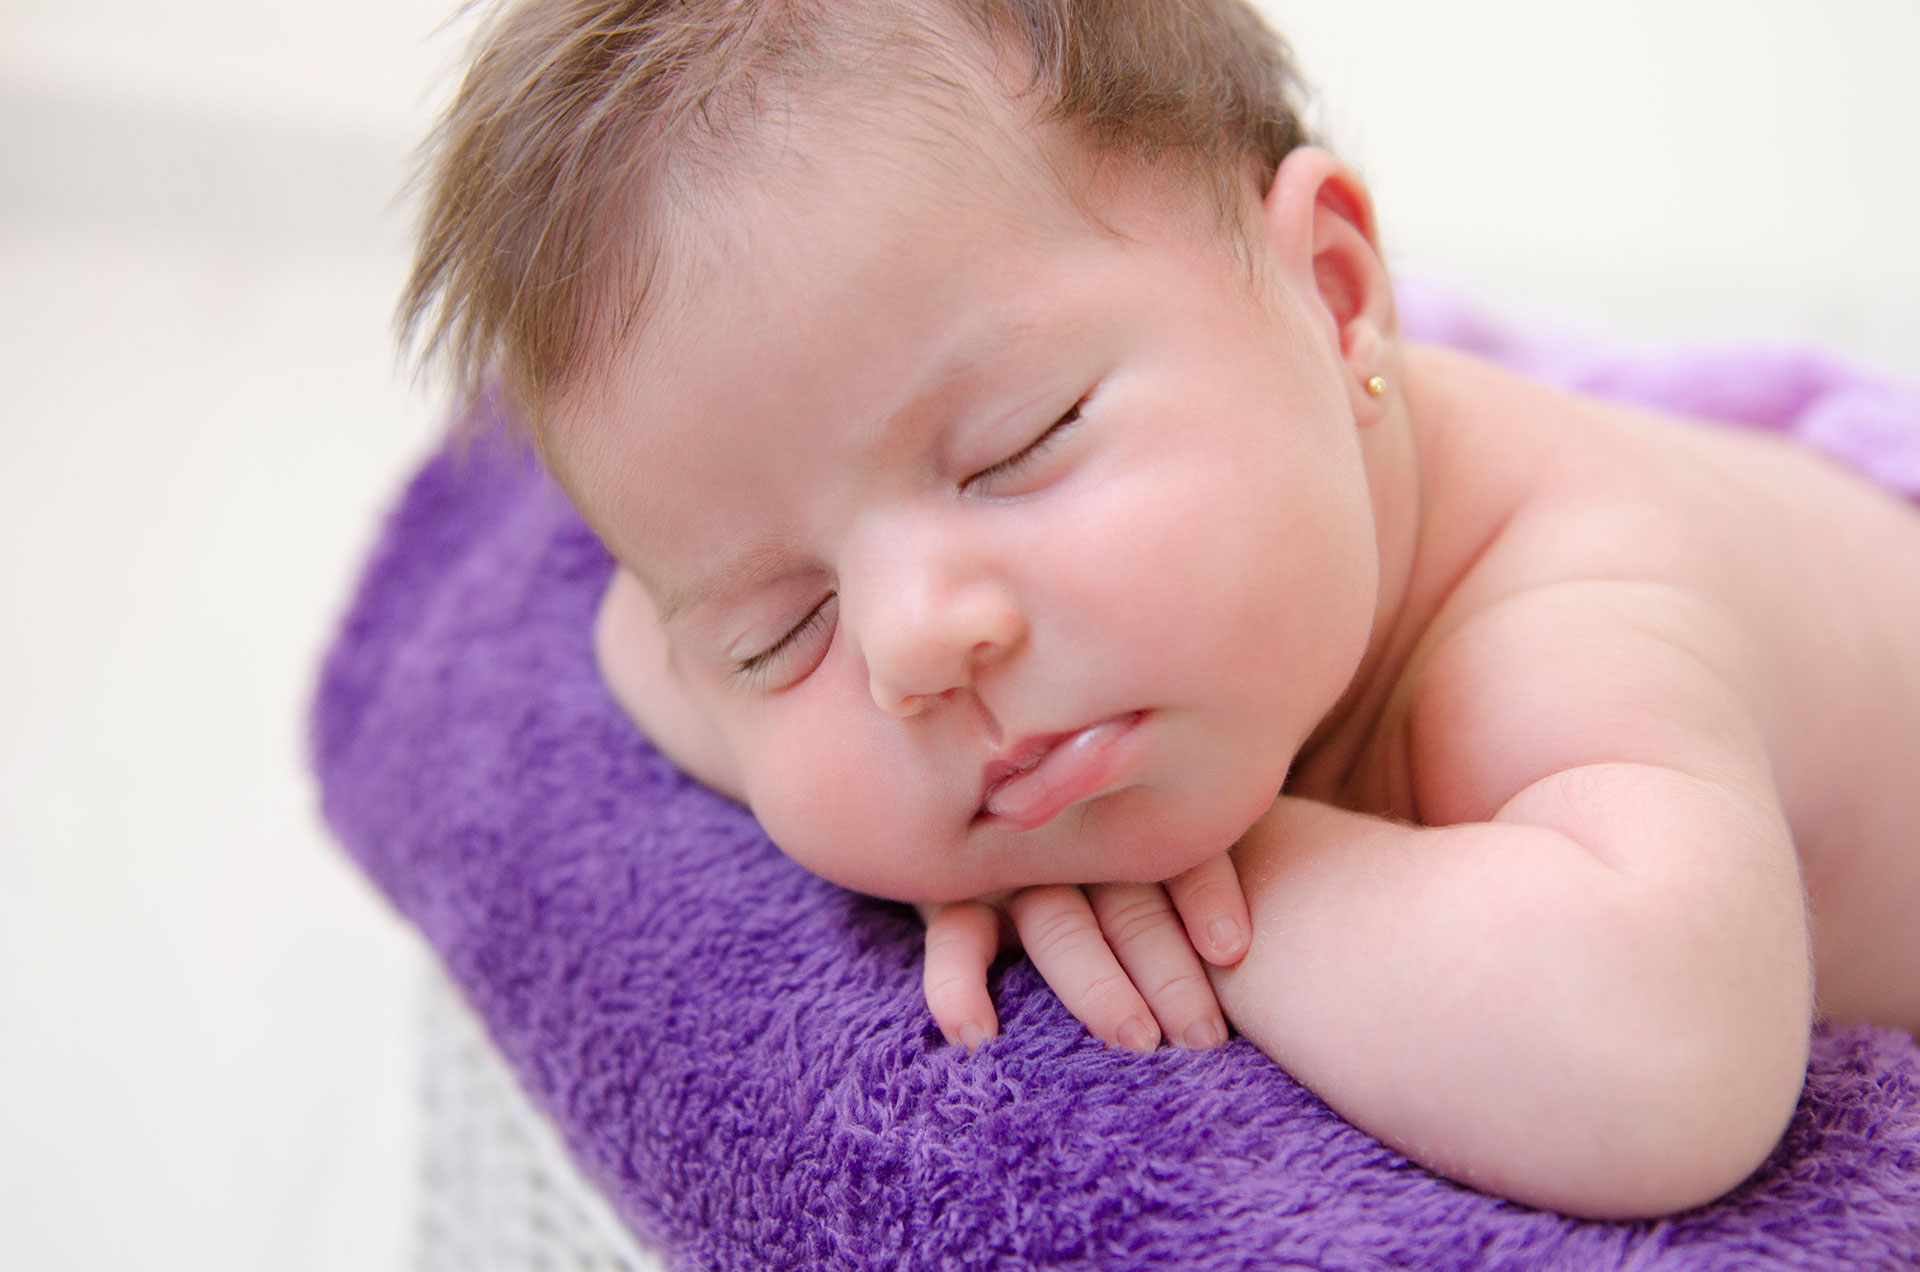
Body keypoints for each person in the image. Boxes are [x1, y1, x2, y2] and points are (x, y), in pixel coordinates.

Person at [398, 0, 1920, 1219]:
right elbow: (642, 644)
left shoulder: (1564, 602)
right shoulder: (1176, 504)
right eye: (786, 627)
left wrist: (1222, 878)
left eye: (1020, 447)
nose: (912, 643)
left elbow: (1667, 1060)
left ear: (1335, 296)